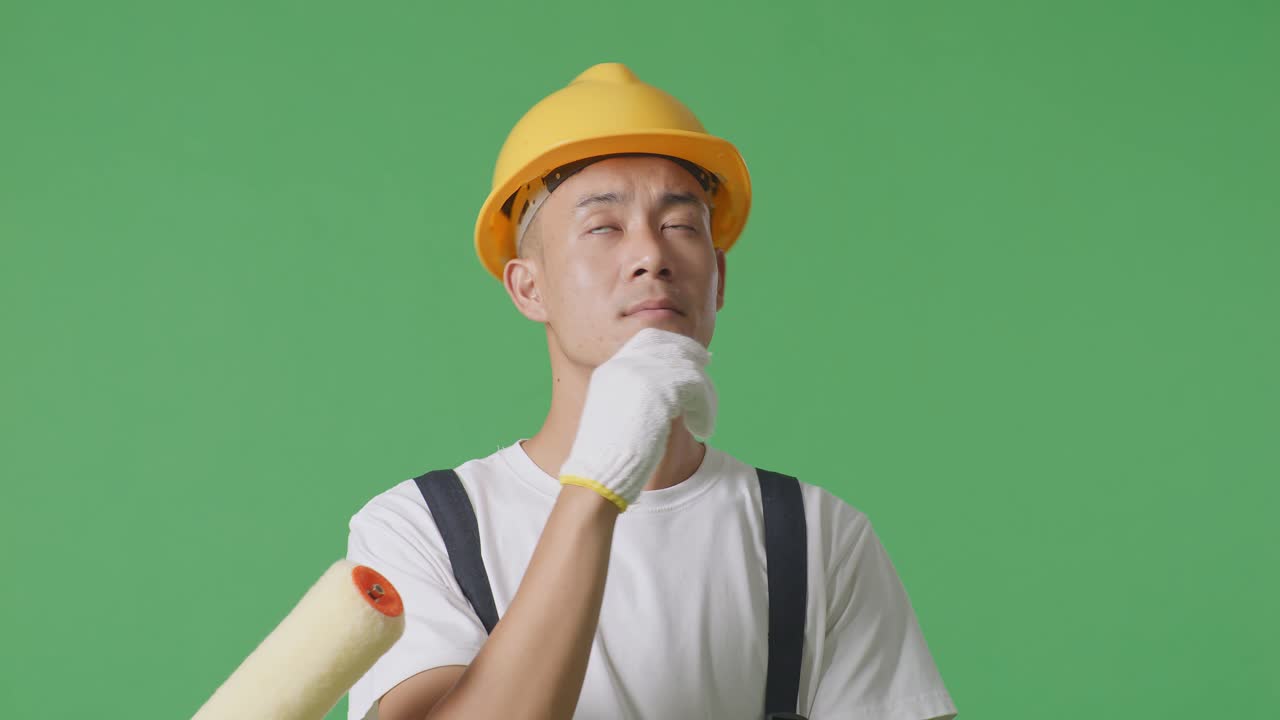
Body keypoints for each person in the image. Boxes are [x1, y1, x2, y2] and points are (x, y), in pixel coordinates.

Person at [345, 62, 959, 720]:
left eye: (680, 226)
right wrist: (598, 484)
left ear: (718, 279)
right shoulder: (420, 529)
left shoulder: (821, 537)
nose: (651, 257)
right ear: (529, 287)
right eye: (603, 227)